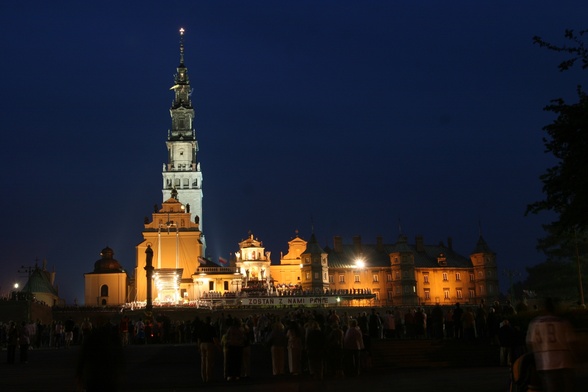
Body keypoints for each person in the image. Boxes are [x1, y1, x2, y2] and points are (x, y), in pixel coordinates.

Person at [526, 297, 576, 392]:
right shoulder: (563, 322)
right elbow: (571, 342)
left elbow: (530, 343)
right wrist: (575, 357)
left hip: (546, 363)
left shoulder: (535, 323)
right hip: (565, 361)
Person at [197, 316, 219, 383]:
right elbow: (214, 339)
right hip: (209, 344)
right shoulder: (211, 328)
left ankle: (203, 377)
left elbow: (199, 338)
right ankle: (209, 378)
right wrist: (218, 347)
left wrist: (199, 347)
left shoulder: (201, 328)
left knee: (203, 362)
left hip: (202, 344)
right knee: (209, 362)